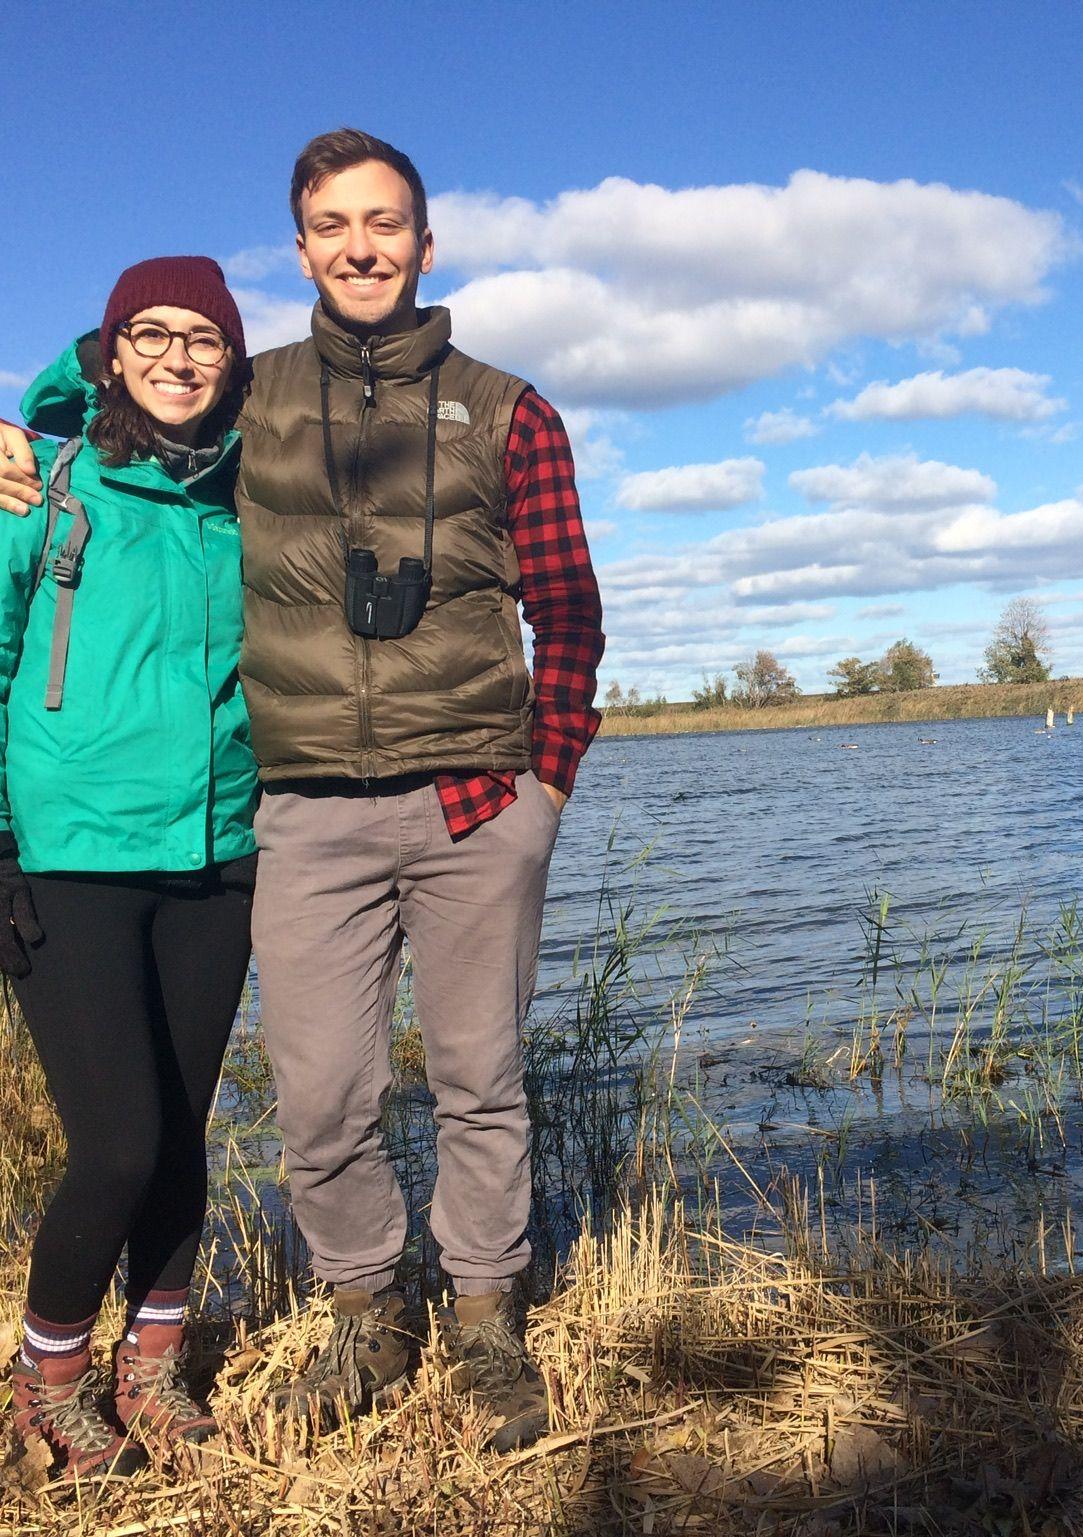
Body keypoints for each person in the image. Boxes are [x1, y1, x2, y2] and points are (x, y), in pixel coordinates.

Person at [1, 130, 605, 1453]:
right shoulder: (252, 400)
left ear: (424, 243)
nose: (361, 245)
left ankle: (488, 1321)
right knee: (322, 1094)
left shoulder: (509, 407)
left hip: (473, 805)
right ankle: (363, 1310)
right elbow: (111, 385)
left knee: (479, 1078)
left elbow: (567, 614)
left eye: (384, 222)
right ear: (302, 249)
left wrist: (542, 785)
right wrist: (17, 425)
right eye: (333, 224)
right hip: (303, 816)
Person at [0, 258, 259, 1482]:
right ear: (108, 352)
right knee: (119, 1143)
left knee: (184, 1136)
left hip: (220, 853)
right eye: (148, 334)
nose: (175, 356)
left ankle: (149, 1366)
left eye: (203, 337)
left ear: (234, 360)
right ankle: (46, 1376)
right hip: (69, 857)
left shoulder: (250, 496)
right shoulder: (40, 487)